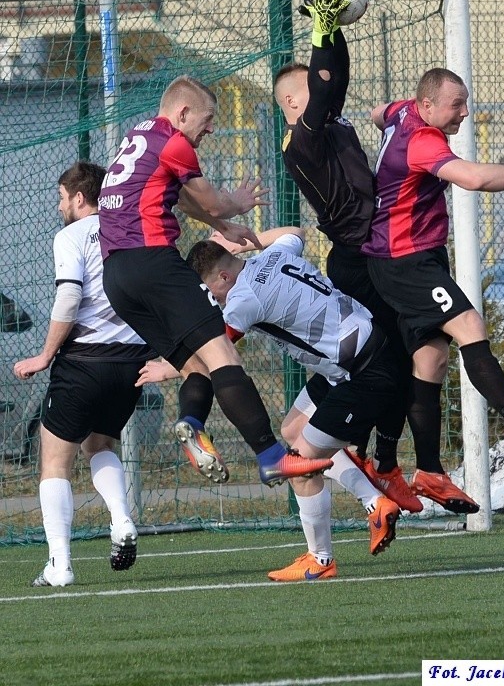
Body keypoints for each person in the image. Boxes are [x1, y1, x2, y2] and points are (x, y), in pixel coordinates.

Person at [272, 0, 466, 514]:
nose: (323, 95)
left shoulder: (329, 122)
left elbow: (336, 79)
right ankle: (369, 458)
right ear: (292, 102)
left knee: (404, 357)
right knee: (385, 364)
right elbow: (327, 82)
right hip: (360, 259)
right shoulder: (302, 137)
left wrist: (331, 33)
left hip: (376, 252)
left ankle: (383, 461)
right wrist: (321, 32)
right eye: (309, 90)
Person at [97, 75, 333, 487]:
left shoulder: (141, 135)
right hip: (154, 262)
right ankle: (272, 456)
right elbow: (206, 198)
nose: (210, 129)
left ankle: (191, 422)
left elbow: (184, 200)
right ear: (182, 112)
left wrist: (224, 224)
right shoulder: (174, 141)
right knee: (224, 356)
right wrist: (234, 204)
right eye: (206, 120)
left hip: (117, 278)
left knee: (196, 365)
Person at [361, 66, 504, 503]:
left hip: (407, 258)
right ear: (429, 105)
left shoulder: (403, 114)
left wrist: (392, 121)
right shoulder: (422, 139)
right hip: (406, 261)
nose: (465, 113)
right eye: (457, 105)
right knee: (471, 326)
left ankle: (430, 472)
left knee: (431, 361)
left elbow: (378, 113)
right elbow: (474, 179)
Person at [186, 228, 405, 581]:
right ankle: (375, 503)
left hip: (362, 373)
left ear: (225, 276)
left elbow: (216, 351)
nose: (216, 300)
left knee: (299, 464)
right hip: (355, 354)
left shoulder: (243, 298)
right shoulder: (275, 254)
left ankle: (320, 561)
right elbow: (296, 233)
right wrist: (247, 239)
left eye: (214, 291)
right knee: (293, 429)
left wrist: (167, 366)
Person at [13, 162, 151, 587]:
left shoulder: (71, 235)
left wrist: (44, 354)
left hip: (84, 361)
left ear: (78, 197)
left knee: (54, 459)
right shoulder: (132, 232)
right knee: (100, 443)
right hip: (131, 361)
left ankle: (60, 564)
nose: (59, 207)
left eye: (61, 198)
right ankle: (122, 520)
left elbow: (70, 296)